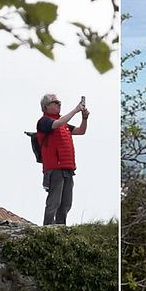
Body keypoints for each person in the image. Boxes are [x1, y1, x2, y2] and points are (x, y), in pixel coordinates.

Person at [36, 93, 88, 225]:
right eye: (55, 102)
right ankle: (47, 227)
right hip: (54, 168)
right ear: (46, 106)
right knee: (54, 201)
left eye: (59, 102)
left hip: (67, 168)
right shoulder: (44, 122)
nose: (59, 104)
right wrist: (76, 110)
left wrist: (84, 118)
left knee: (66, 202)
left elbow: (81, 131)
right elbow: (57, 123)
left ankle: (60, 226)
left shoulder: (63, 124)